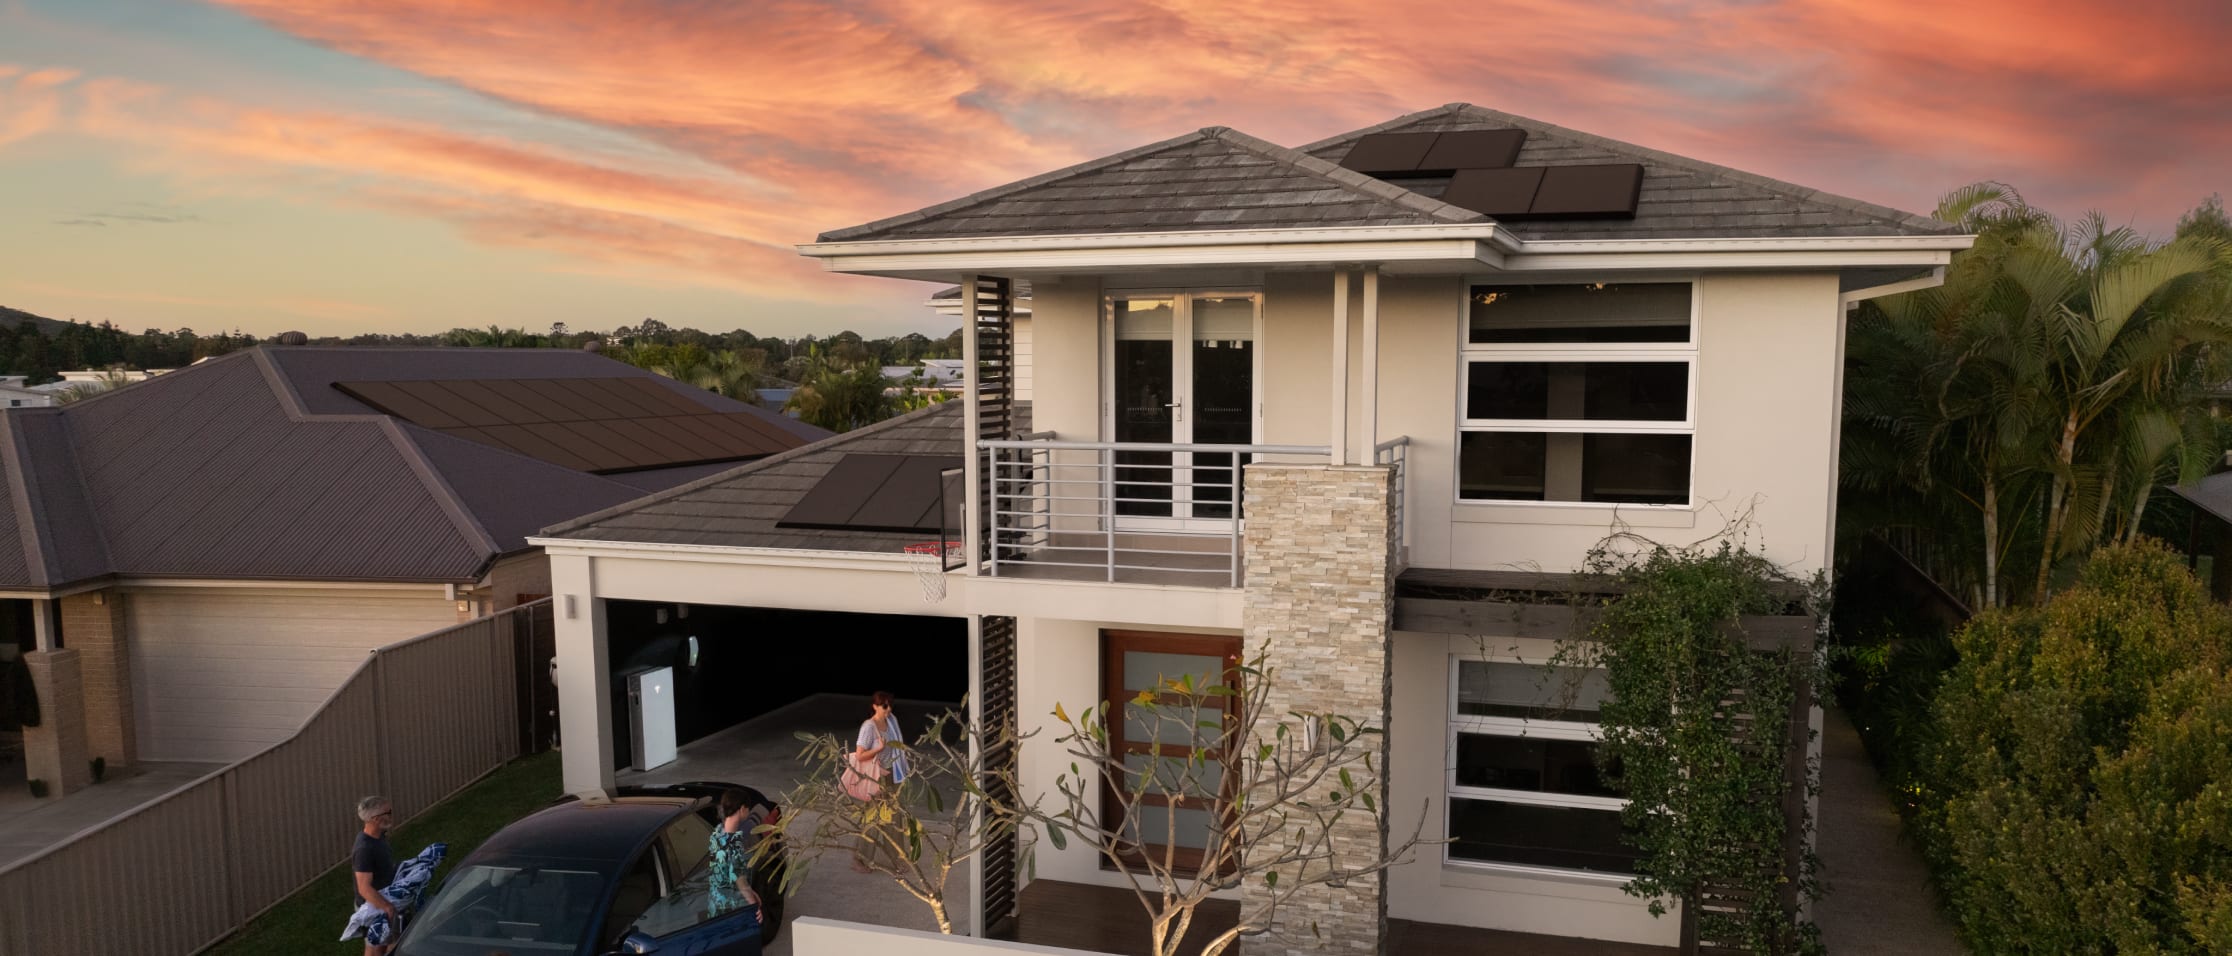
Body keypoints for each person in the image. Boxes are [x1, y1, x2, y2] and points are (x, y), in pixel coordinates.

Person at [708, 788, 765, 954]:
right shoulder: (734, 841)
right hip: (732, 908)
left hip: (716, 903)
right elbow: (738, 878)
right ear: (742, 809)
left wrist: (751, 891)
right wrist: (754, 905)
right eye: (748, 808)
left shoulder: (717, 832)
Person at [353, 795, 400, 955]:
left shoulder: (379, 837)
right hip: (375, 907)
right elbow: (364, 887)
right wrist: (387, 907)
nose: (391, 815)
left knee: (393, 943)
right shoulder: (365, 849)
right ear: (376, 819)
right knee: (375, 950)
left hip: (386, 900)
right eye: (389, 812)